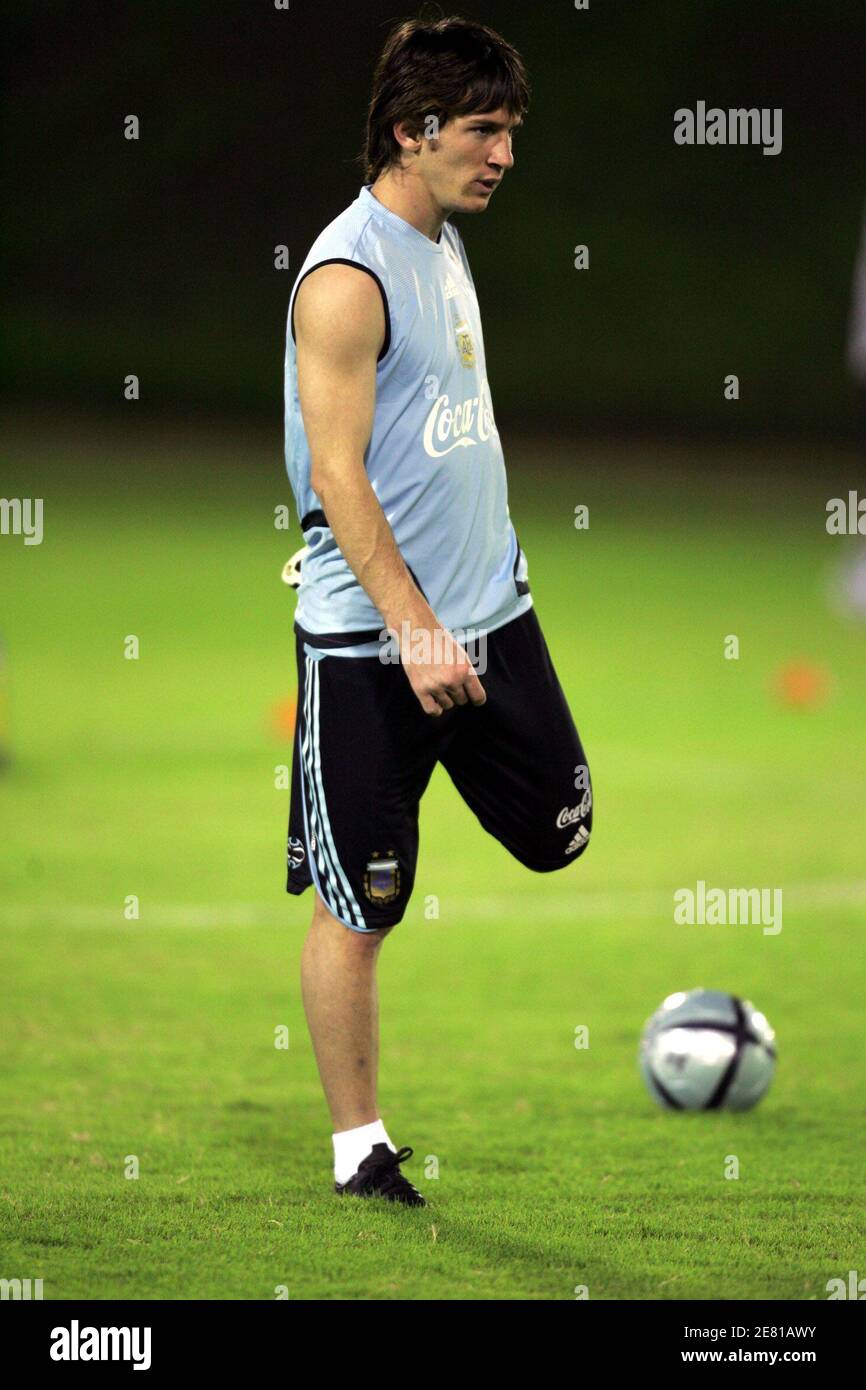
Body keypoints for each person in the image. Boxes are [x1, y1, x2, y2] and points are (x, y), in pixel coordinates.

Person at [282, 15, 592, 1207]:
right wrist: (411, 627)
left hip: (490, 616)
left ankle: (433, 767)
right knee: (360, 902)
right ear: (411, 134)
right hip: (372, 643)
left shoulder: (443, 241)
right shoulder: (347, 277)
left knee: (561, 829)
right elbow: (339, 473)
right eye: (481, 130)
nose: (502, 152)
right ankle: (359, 1150)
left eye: (508, 130)